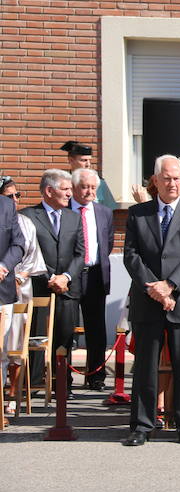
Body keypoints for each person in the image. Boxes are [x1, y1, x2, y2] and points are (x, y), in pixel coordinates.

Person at [122, 155, 180, 447]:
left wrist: (170, 286)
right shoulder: (138, 213)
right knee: (145, 365)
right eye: (167, 178)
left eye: (177, 178)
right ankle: (142, 425)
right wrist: (155, 289)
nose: (173, 183)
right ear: (155, 180)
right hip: (148, 299)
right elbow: (131, 256)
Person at [21, 169, 84, 395]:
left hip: (67, 289)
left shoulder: (74, 217)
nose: (70, 194)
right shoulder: (28, 216)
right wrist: (50, 277)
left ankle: (62, 383)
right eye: (65, 189)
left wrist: (65, 277)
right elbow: (28, 252)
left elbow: (80, 253)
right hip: (39, 288)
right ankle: (34, 383)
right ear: (49, 190)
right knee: (36, 336)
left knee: (65, 337)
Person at [69, 168, 114, 391]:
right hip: (70, 276)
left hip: (96, 274)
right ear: (74, 187)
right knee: (66, 327)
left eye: (93, 188)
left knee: (96, 329)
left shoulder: (104, 212)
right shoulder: (65, 210)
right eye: (84, 187)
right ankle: (64, 378)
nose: (89, 192)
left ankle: (96, 377)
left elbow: (108, 243)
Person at [0, 179, 26, 420]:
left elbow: (18, 244)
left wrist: (4, 266)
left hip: (2, 291)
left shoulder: (6, 207)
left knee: (1, 352)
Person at [60, 141, 117, 210]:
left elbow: (109, 210)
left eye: (90, 160)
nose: (88, 164)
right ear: (71, 160)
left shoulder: (99, 183)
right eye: (84, 160)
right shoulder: (62, 183)